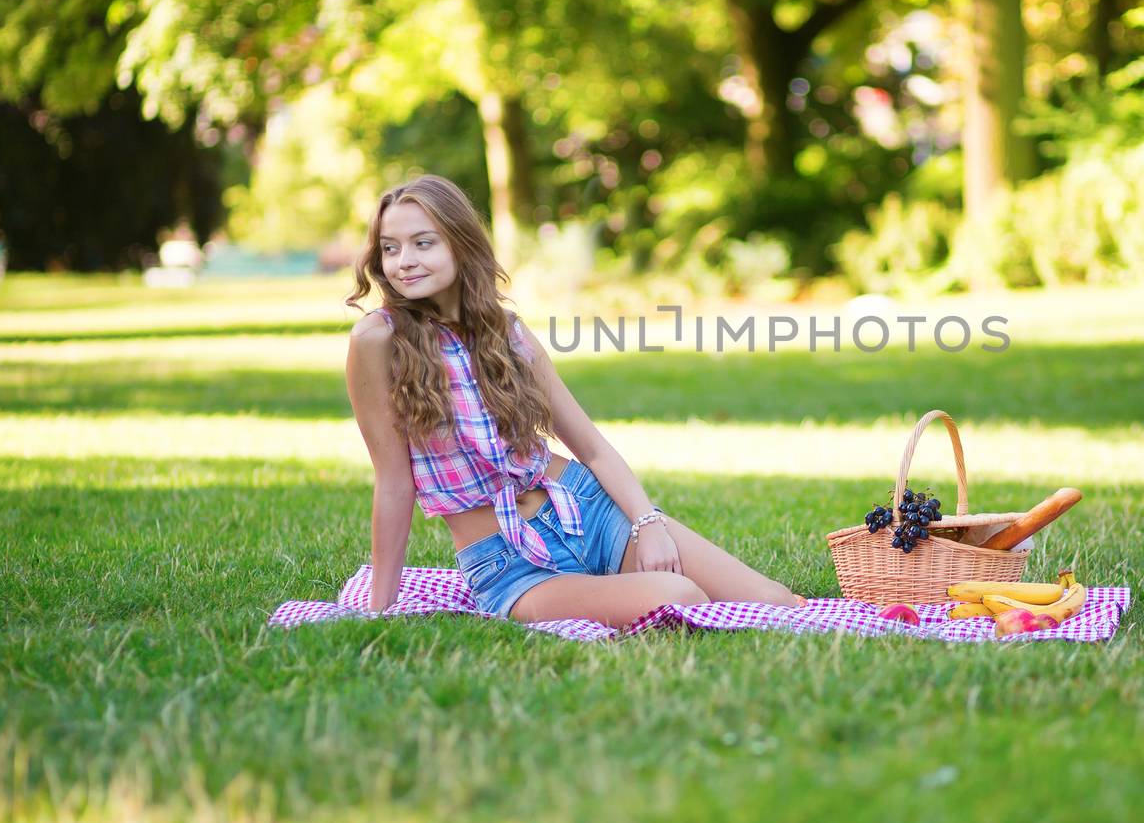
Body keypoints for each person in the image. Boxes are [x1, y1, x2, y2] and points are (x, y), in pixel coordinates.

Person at [344, 175, 805, 627]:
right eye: (390, 247)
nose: (404, 261)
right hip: (509, 564)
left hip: (587, 509)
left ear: (461, 244)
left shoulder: (507, 334)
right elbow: (394, 484)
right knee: (681, 598)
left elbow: (593, 449)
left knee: (776, 604)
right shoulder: (377, 339)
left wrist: (649, 525)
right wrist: (379, 611)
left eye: (424, 243)